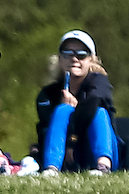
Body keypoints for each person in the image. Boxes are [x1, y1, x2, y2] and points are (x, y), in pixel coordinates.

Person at [33, 30, 118, 176]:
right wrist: (62, 108)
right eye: (68, 54)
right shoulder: (48, 94)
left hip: (98, 149)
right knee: (62, 111)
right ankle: (51, 169)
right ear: (60, 59)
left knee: (99, 112)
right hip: (63, 154)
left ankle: (103, 167)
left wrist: (72, 139)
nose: (74, 59)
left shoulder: (99, 83)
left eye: (81, 55)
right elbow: (45, 127)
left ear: (91, 60)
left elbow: (93, 104)